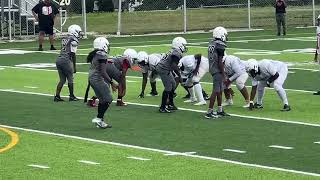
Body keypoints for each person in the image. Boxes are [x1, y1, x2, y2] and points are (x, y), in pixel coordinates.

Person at [88, 37, 118, 129]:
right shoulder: (102, 55)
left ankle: (100, 121)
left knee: (102, 100)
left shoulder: (95, 54)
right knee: (108, 99)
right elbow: (103, 71)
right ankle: (99, 118)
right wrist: (111, 82)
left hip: (92, 78)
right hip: (97, 79)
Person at [156, 37, 187, 113]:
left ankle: (170, 104)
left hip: (164, 68)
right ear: (180, 45)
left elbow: (173, 65)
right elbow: (174, 66)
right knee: (168, 87)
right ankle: (162, 107)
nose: (185, 47)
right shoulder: (176, 53)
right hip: (163, 69)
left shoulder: (174, 51)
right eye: (184, 45)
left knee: (173, 84)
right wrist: (179, 76)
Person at [54, 25, 83, 102]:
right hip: (66, 60)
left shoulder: (65, 38)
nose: (80, 34)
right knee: (70, 78)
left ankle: (57, 96)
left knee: (62, 80)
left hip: (59, 59)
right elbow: (73, 54)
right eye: (79, 32)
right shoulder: (73, 40)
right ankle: (72, 96)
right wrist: (74, 66)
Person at [205, 27, 229, 119]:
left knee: (219, 90)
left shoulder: (212, 43)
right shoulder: (220, 45)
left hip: (212, 67)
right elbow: (220, 61)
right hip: (217, 69)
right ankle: (209, 111)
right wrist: (223, 74)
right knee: (215, 91)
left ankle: (220, 110)